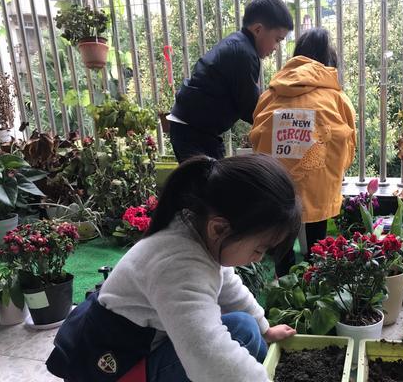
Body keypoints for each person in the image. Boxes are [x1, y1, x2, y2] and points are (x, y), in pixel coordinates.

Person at [46, 154, 301, 382]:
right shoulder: (179, 266)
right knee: (237, 339)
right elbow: (208, 358)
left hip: (134, 347)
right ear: (220, 228)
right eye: (259, 249)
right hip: (115, 368)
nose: (259, 258)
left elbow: (228, 284)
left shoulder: (197, 232)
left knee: (246, 327)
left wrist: (264, 328)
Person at [249, 27, 356, 276]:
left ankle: (284, 291)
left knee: (281, 243)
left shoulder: (271, 94)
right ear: (328, 62)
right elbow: (348, 147)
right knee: (317, 247)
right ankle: (316, 286)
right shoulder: (336, 97)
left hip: (276, 184)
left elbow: (256, 136)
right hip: (319, 186)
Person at [169, 0, 293, 162]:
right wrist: (283, 122)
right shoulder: (244, 53)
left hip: (196, 127)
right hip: (192, 129)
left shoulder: (240, 45)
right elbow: (251, 107)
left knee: (215, 182)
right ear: (258, 30)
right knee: (210, 185)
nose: (276, 48)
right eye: (277, 40)